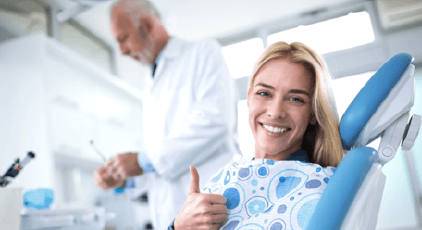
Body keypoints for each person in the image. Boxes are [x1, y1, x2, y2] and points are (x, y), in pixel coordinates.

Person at [93, 0, 241, 229]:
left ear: (147, 24)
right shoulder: (150, 82)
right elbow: (164, 165)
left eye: (123, 39)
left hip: (212, 208)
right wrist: (126, 177)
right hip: (173, 217)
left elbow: (216, 122)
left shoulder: (202, 53)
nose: (121, 51)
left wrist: (143, 160)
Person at [170, 41, 344, 230]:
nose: (276, 112)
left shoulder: (323, 188)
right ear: (249, 97)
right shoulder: (222, 179)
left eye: (295, 99)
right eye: (264, 93)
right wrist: (178, 226)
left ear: (312, 112)